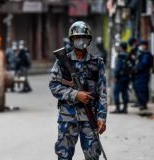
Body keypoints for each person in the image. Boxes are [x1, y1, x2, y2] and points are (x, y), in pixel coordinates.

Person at [49, 21, 107, 160]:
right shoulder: (62, 62)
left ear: (89, 39)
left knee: (93, 155)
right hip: (68, 117)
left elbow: (102, 92)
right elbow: (54, 86)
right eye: (77, 37)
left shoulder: (97, 63)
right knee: (64, 156)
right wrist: (75, 94)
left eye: (84, 37)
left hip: (89, 117)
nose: (81, 40)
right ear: (72, 39)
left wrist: (102, 118)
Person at [132, 40, 153, 110]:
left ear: (145, 46)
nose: (141, 47)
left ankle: (143, 104)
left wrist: (137, 68)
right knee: (137, 87)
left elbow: (144, 64)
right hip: (139, 75)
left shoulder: (146, 54)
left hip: (143, 74)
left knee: (142, 89)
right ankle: (141, 102)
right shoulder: (142, 53)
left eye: (142, 45)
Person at [112, 42, 131, 114]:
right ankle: (125, 108)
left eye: (120, 47)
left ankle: (117, 108)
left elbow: (118, 67)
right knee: (124, 92)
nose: (119, 48)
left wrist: (115, 76)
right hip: (126, 77)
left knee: (116, 92)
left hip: (120, 77)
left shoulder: (120, 56)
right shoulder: (128, 55)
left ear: (121, 48)